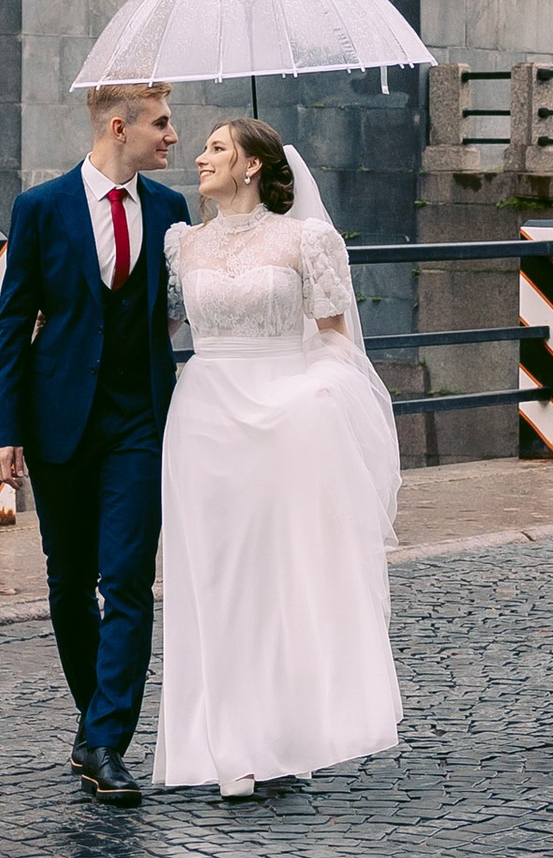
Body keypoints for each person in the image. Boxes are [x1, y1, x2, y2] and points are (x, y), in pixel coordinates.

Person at [156, 116, 402, 800]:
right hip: (204, 420)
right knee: (215, 581)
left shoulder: (306, 240)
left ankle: (284, 731)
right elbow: (162, 329)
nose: (199, 156)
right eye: (202, 145)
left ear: (252, 165)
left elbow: (335, 339)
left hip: (282, 415)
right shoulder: (182, 246)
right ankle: (226, 743)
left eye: (216, 147)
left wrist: (312, 392)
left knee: (277, 579)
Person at [0, 81, 190, 806]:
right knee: (70, 583)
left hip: (140, 420)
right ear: (118, 126)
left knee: (128, 579)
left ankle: (106, 741)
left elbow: (176, 314)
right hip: (59, 419)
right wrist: (2, 429)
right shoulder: (40, 208)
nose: (172, 136)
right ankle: (93, 719)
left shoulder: (171, 211)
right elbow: (13, 322)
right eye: (161, 123)